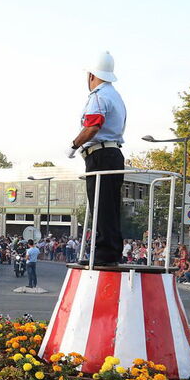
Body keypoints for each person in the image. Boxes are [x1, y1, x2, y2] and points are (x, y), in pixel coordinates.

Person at [65, 51, 127, 266]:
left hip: (101, 155)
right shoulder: (115, 95)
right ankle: (110, 252)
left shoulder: (98, 96)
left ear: (92, 75)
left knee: (100, 205)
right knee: (110, 207)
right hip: (113, 154)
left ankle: (104, 255)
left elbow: (92, 126)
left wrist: (74, 145)